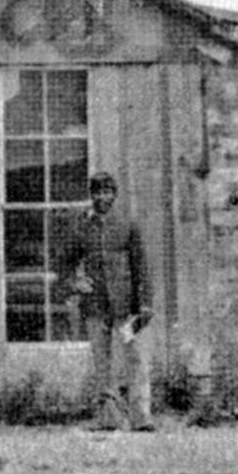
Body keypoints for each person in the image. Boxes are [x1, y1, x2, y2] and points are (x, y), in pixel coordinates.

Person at [69, 172, 155, 431]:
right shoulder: (82, 226)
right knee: (102, 362)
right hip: (96, 306)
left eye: (107, 192)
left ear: (114, 195)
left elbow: (141, 265)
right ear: (91, 195)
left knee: (135, 358)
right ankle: (110, 417)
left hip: (125, 307)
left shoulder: (127, 224)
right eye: (97, 192)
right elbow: (64, 263)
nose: (102, 197)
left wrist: (145, 302)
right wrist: (76, 282)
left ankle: (142, 417)